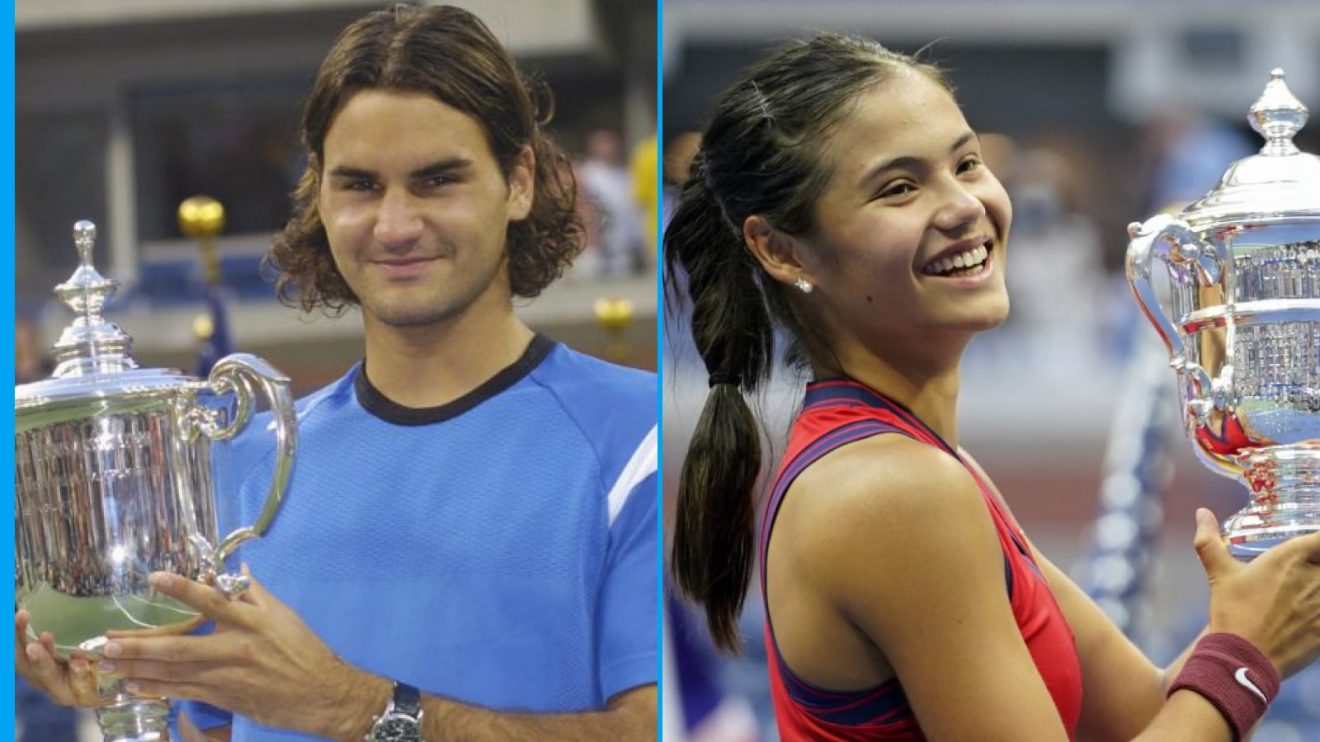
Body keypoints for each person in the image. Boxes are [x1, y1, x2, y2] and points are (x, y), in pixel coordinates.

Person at [17, 5, 658, 741]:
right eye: (359, 186)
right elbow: (212, 731)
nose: (393, 226)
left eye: (436, 181)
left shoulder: (636, 440)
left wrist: (360, 710)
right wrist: (121, 687)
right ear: (319, 195)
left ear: (518, 183)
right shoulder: (240, 462)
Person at [665, 34, 1320, 741]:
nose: (963, 207)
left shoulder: (931, 466)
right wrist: (1246, 658)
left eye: (967, 163)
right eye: (899, 187)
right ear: (780, 249)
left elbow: (1146, 717)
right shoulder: (894, 491)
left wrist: (1264, 602)